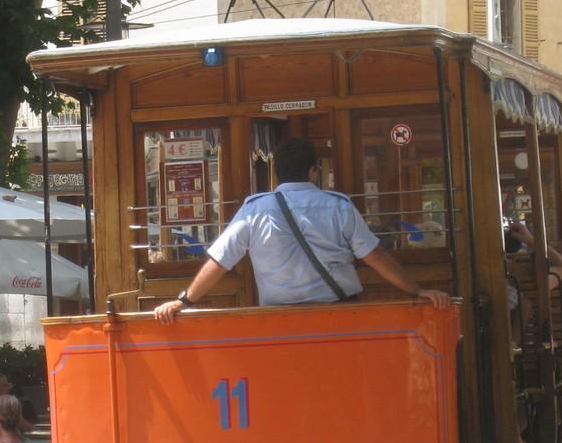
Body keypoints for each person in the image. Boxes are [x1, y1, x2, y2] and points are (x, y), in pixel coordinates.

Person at [154, 138, 450, 324]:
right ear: (313, 170)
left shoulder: (255, 209)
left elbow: (220, 261)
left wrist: (185, 300)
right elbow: (375, 257)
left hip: (280, 320)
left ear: (277, 172)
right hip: (340, 316)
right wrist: (418, 290)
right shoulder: (338, 206)